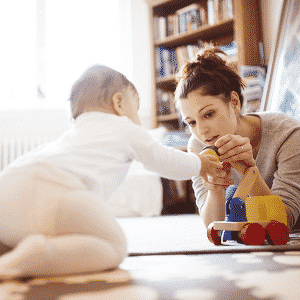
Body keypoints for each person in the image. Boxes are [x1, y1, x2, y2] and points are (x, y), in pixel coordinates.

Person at [0, 64, 224, 279]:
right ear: (119, 103)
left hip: (9, 186)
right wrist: (199, 163)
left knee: (28, 233)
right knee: (113, 246)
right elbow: (163, 159)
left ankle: (9, 248)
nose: (136, 119)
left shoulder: (73, 135)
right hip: (57, 188)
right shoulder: (124, 127)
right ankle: (33, 255)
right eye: (135, 109)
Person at [175, 47, 300, 232]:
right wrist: (215, 190)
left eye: (209, 114)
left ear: (234, 103)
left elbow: (284, 223)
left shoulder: (287, 134)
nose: (202, 131)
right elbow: (213, 228)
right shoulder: (199, 145)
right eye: (191, 122)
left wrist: (248, 171)